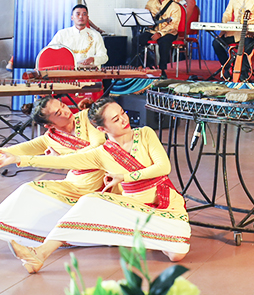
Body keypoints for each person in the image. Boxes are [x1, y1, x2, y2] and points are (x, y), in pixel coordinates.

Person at [0, 97, 190, 273]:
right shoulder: (101, 153)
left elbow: (163, 167)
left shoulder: (145, 133)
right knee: (89, 200)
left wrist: (124, 177)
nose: (124, 120)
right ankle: (39, 254)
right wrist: (18, 158)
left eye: (123, 113)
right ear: (102, 129)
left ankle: (148, 235)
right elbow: (60, 163)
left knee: (176, 255)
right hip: (133, 206)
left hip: (165, 201)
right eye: (116, 119)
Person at [0, 97, 107, 247]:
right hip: (76, 183)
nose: (65, 111)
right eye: (58, 113)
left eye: (63, 106)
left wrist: (61, 159)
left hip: (103, 180)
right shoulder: (49, 139)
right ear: (49, 124)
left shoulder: (86, 116)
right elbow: (13, 150)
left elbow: (99, 146)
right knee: (28, 189)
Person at [138, 0, 181, 77]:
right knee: (137, 40)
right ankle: (143, 65)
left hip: (169, 32)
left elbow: (174, 25)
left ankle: (162, 70)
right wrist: (148, 24)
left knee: (164, 42)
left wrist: (160, 33)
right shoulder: (150, 3)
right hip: (152, 30)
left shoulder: (175, 6)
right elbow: (146, 17)